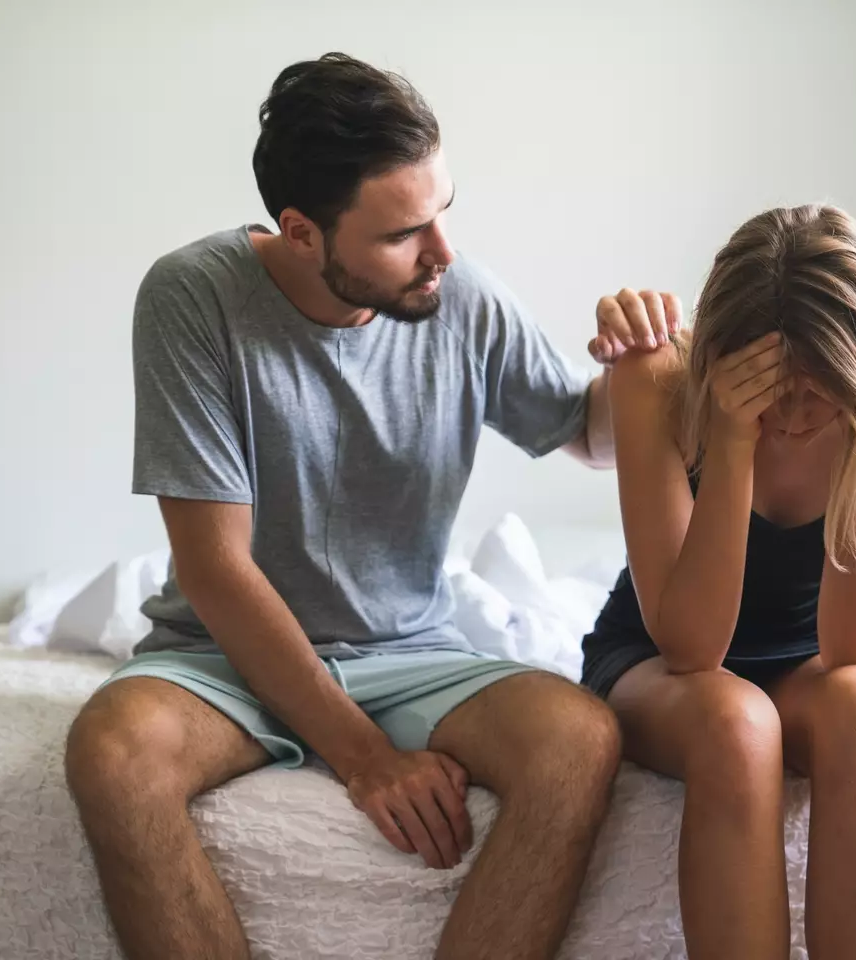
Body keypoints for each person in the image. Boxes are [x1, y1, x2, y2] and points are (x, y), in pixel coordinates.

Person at [63, 53, 661, 960]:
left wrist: (638, 367)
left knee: (577, 738)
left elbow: (588, 435)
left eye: (445, 212)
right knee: (112, 753)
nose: (444, 253)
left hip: (412, 652)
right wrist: (366, 759)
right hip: (223, 658)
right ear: (301, 232)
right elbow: (214, 569)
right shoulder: (194, 296)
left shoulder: (460, 296)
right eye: (402, 233)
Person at [582, 203, 856, 960]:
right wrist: (730, 440)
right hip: (664, 656)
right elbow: (691, 646)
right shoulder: (658, 379)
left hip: (819, 654)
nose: (792, 416)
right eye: (773, 390)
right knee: (737, 725)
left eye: (819, 389)